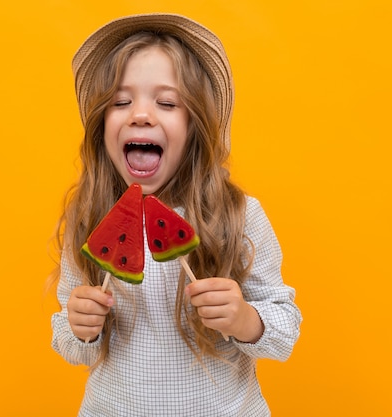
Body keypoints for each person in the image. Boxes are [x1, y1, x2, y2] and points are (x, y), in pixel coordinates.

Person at [49, 13, 302, 416]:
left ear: (194, 126)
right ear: (102, 126)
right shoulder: (90, 219)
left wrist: (243, 319)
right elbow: (69, 342)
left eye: (166, 102)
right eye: (120, 102)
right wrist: (79, 327)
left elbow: (285, 331)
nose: (141, 115)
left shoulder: (238, 214)